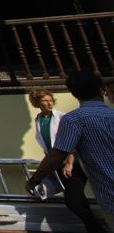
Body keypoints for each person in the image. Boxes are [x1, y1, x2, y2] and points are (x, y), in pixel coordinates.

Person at [28, 71, 114, 231]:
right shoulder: (110, 115)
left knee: (74, 200)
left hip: (107, 192)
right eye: (44, 100)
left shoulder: (71, 119)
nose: (48, 103)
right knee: (74, 200)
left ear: (74, 94)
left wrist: (34, 179)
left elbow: (57, 153)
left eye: (50, 100)